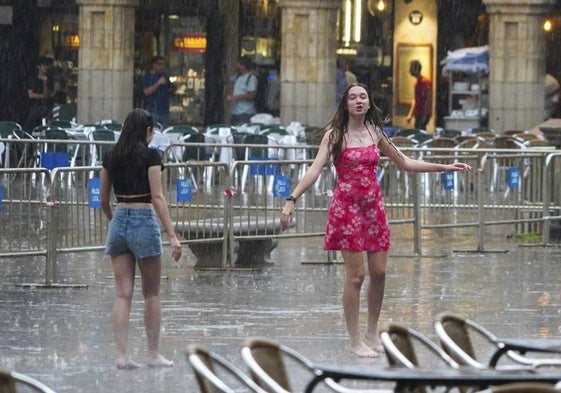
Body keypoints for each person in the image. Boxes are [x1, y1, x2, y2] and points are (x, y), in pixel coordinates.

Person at [280, 83, 472, 358]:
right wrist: (292, 199)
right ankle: (355, 339)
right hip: (347, 210)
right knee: (356, 276)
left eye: (363, 97)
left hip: (373, 209)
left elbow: (405, 162)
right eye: (353, 97)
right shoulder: (335, 136)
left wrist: (445, 167)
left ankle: (372, 330)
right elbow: (314, 170)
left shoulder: (376, 133)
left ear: (369, 103)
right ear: (345, 104)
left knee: (379, 273)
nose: (358, 101)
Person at [100, 108, 182, 369]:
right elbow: (157, 197)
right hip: (144, 219)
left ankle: (121, 356)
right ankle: (152, 354)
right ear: (147, 132)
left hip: (120, 216)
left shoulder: (112, 156)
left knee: (123, 294)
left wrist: (115, 220)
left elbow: (103, 199)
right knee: (152, 293)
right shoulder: (151, 156)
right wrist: (172, 234)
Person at [141, 56, 176, 129]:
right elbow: (146, 92)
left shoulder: (165, 76)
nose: (162, 67)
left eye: (163, 65)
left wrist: (172, 88)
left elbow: (171, 89)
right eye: (160, 64)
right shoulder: (147, 77)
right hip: (152, 111)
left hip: (164, 111)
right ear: (154, 65)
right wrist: (158, 83)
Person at [23, 56, 53, 132]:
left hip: (45, 108)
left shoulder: (48, 79)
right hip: (34, 108)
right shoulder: (33, 78)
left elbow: (48, 94)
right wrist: (42, 96)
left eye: (47, 65)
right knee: (31, 129)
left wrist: (45, 83)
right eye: (44, 65)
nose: (46, 67)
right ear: (38, 67)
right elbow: (30, 95)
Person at [227, 56, 257, 125]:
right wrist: (224, 70)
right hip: (235, 111)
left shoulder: (251, 77)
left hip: (246, 112)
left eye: (238, 64)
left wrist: (235, 97)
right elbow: (226, 80)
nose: (237, 65)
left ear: (243, 66)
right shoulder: (238, 76)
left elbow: (252, 95)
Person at [406, 59, 432, 130]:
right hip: (419, 112)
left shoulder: (425, 82)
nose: (410, 70)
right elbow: (415, 100)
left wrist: (426, 113)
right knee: (418, 129)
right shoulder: (417, 83)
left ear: (416, 68)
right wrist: (410, 114)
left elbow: (428, 99)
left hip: (423, 112)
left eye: (411, 68)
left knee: (420, 131)